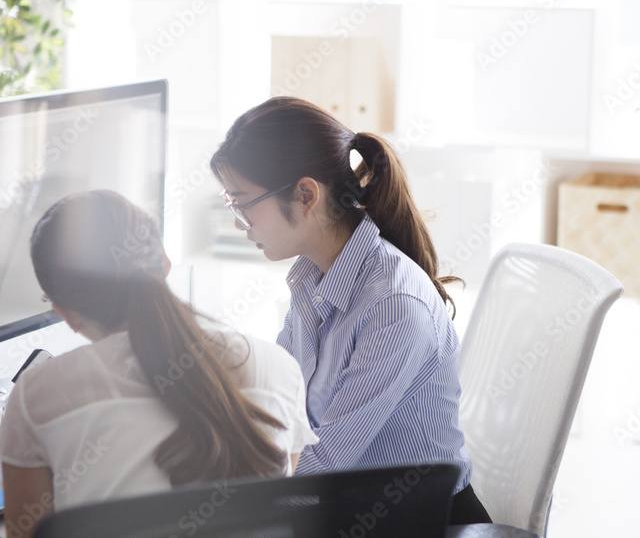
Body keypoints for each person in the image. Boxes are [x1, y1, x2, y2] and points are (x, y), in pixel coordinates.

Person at [210, 97, 491, 525]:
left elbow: (323, 464)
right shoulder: (311, 277)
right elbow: (283, 395)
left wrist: (217, 484)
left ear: (306, 195)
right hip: (351, 506)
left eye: (243, 202)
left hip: (417, 521)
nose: (238, 221)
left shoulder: (394, 308)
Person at [0, 190, 317, 538]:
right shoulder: (279, 367)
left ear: (64, 312)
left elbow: (25, 532)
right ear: (164, 262)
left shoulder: (38, 393)